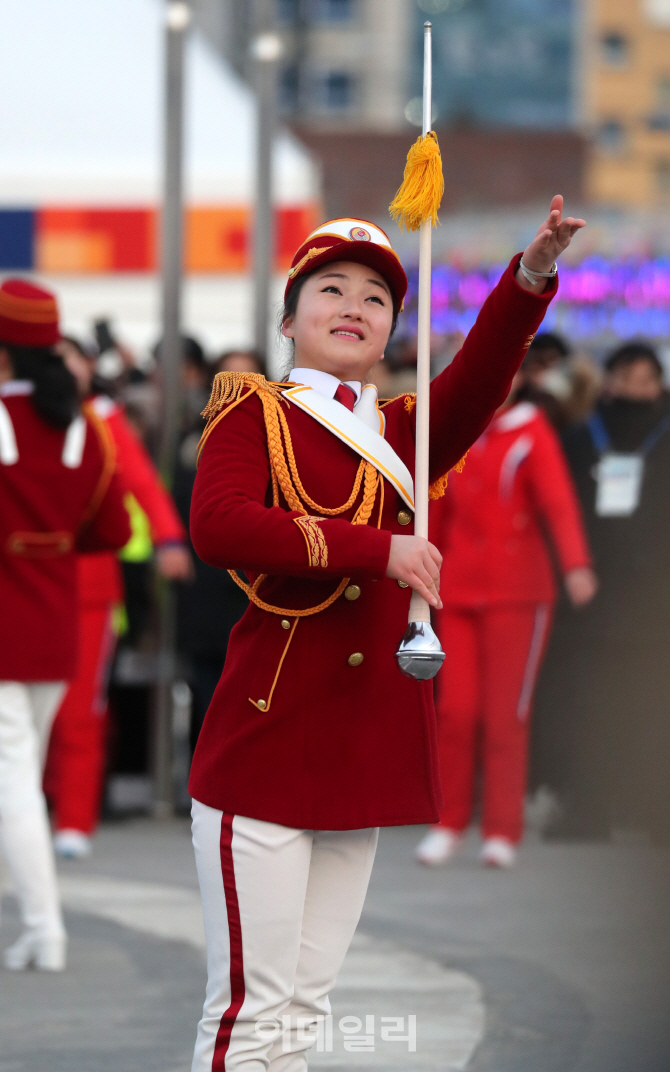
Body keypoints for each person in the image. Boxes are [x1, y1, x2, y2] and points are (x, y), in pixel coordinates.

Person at [186, 196, 584, 1071]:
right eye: (331, 288)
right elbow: (218, 527)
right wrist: (381, 549)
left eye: (376, 297)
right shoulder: (255, 413)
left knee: (305, 1005)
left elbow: (479, 379)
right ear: (290, 318)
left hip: (361, 745)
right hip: (266, 740)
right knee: (249, 1013)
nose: (354, 307)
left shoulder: (407, 430)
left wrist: (530, 278)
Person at [415, 373, 596, 869]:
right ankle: (448, 822)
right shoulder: (457, 431)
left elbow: (558, 503)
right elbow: (434, 509)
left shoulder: (531, 431)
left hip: (519, 593)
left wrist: (576, 564)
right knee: (454, 712)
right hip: (458, 588)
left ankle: (501, 829)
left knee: (505, 716)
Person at [0, 280, 130, 970]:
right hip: (54, 624)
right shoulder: (87, 428)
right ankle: (39, 928)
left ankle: (45, 929)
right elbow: (109, 529)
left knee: (15, 781)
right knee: (19, 775)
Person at [43, 336, 192, 859]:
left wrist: (169, 539)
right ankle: (38, 806)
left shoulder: (103, 420)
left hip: (87, 592)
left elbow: (142, 482)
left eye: (70, 359)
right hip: (23, 588)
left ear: (88, 367)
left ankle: (73, 821)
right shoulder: (15, 414)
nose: (61, 368)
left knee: (81, 710)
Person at [532, 341, 670, 840]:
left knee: (651, 703)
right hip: (588, 591)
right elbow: (558, 508)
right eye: (629, 375)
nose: (638, 385)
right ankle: (587, 806)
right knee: (586, 702)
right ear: (610, 379)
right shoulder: (581, 436)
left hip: (654, 596)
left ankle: (652, 810)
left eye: (647, 376)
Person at [173, 349, 266, 751]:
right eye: (227, 379)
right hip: (204, 590)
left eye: (248, 378)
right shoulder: (187, 443)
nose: (237, 389)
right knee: (207, 691)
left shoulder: (282, 441)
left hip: (257, 589)